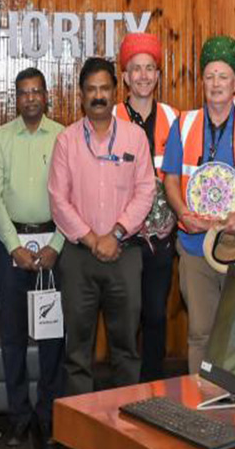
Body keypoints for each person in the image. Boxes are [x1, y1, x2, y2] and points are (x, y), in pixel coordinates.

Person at [49, 58, 156, 425]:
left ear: (115, 92)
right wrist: (93, 238)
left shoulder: (134, 138)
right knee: (77, 351)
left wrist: (116, 233)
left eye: (104, 89)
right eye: (91, 89)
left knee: (125, 349)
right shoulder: (66, 140)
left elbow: (146, 191)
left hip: (124, 254)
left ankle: (126, 428)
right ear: (81, 96)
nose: (98, 96)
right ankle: (80, 430)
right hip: (79, 257)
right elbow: (58, 199)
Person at [162, 35, 235, 375]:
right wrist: (183, 213)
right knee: (200, 331)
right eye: (209, 76)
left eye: (223, 76)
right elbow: (170, 179)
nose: (215, 83)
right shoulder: (183, 124)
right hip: (195, 245)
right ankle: (201, 400)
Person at [0, 67, 67, 446]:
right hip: (12, 247)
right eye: (24, 92)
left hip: (54, 246)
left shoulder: (64, 137)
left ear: (46, 96)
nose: (31, 98)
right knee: (13, 336)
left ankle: (49, 414)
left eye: (37, 91)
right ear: (15, 98)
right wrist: (13, 246)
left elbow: (72, 196)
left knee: (53, 337)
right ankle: (19, 415)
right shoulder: (1, 138)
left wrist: (57, 245)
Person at [114, 31, 179, 381]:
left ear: (158, 75)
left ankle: (153, 389)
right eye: (135, 69)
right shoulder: (111, 117)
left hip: (161, 239)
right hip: (123, 238)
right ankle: (123, 388)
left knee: (155, 314)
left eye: (149, 68)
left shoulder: (175, 118)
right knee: (125, 317)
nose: (143, 75)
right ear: (125, 76)